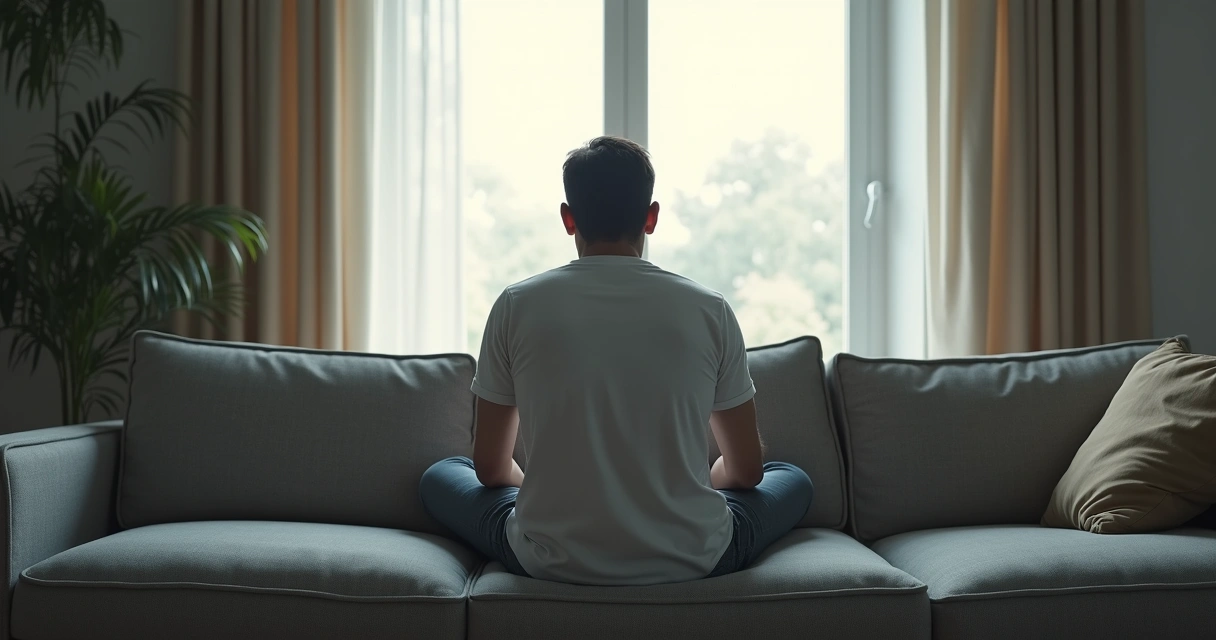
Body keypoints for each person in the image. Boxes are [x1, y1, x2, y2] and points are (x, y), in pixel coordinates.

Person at [420, 136, 812, 586]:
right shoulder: (710, 309)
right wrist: (691, 485)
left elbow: (490, 469)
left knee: (442, 476)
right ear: (651, 217)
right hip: (695, 557)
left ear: (568, 219)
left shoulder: (516, 304)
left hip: (549, 557)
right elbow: (745, 472)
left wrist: (549, 492)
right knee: (791, 478)